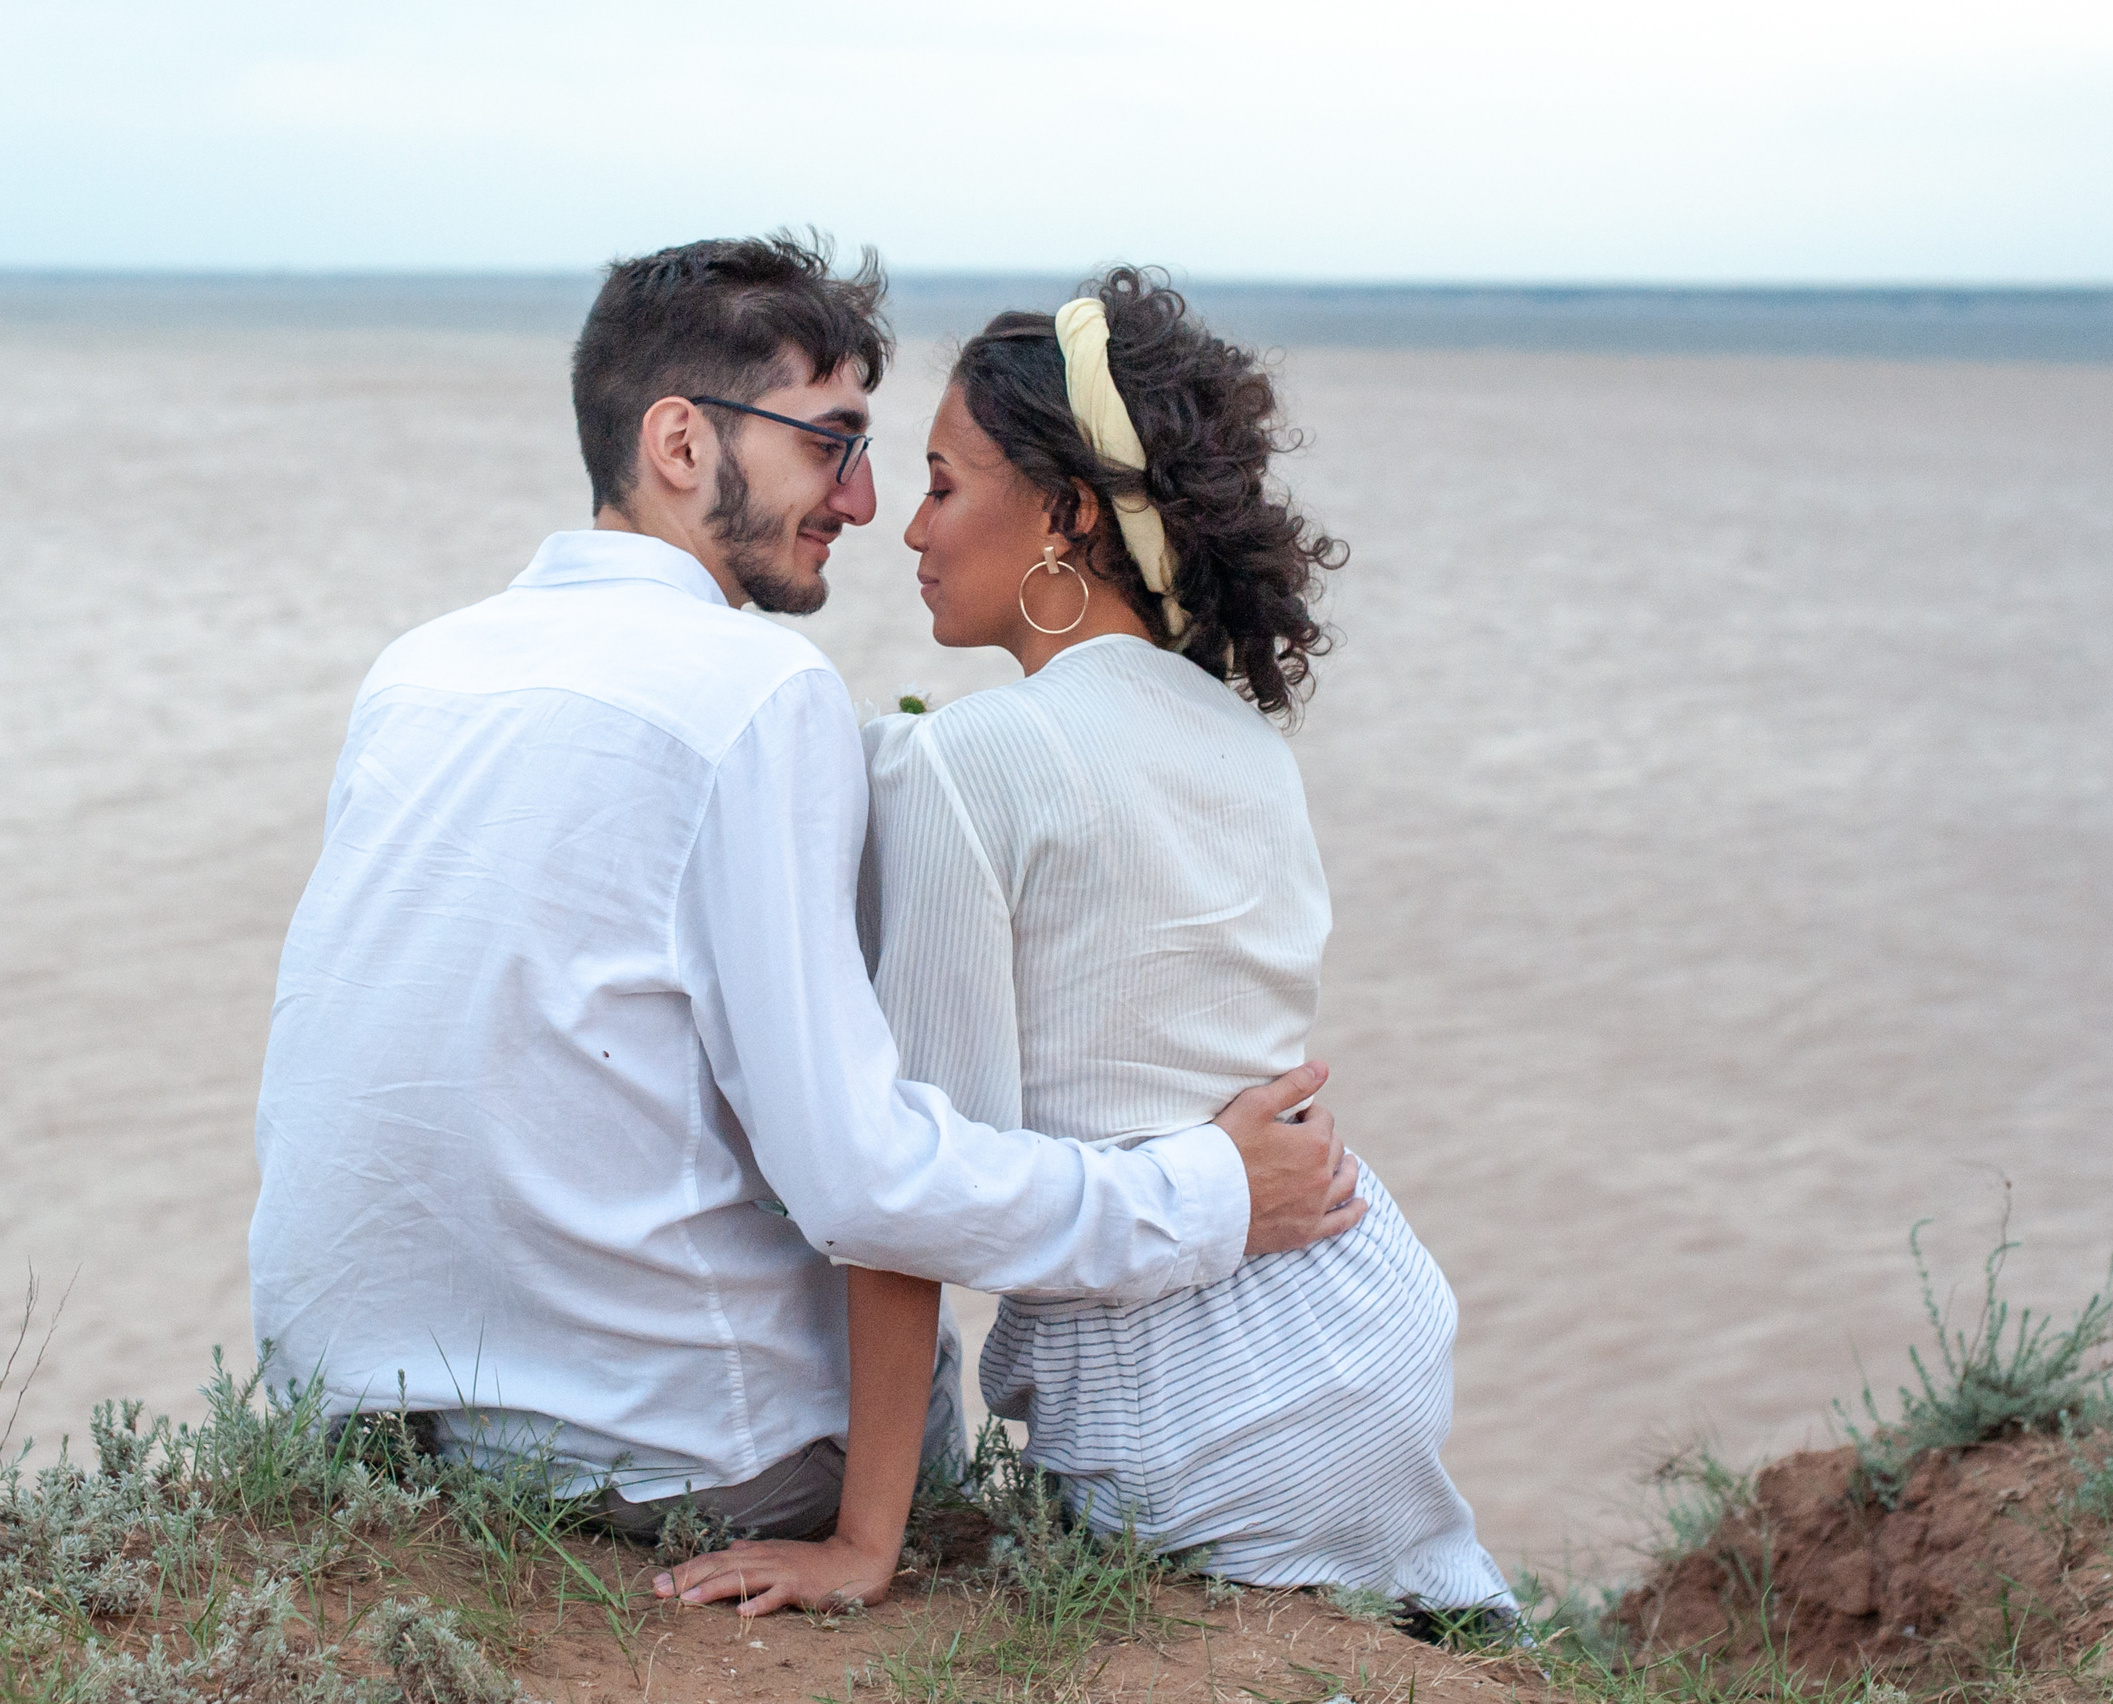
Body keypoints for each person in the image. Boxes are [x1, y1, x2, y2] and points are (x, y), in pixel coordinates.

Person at [247, 235, 1365, 1559]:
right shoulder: (753, 694)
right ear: (679, 442)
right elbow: (863, 1186)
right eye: (829, 442)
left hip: (364, 1435)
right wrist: (1211, 1191)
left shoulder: (417, 672)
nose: (864, 494)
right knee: (913, 1369)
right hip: (677, 1468)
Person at [656, 269, 1514, 1621]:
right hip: (1367, 1322)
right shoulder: (1242, 740)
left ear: (1060, 511)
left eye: (940, 482)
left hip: (1179, 1399)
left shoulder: (968, 763)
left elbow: (908, 1196)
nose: (909, 527)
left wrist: (862, 1541)